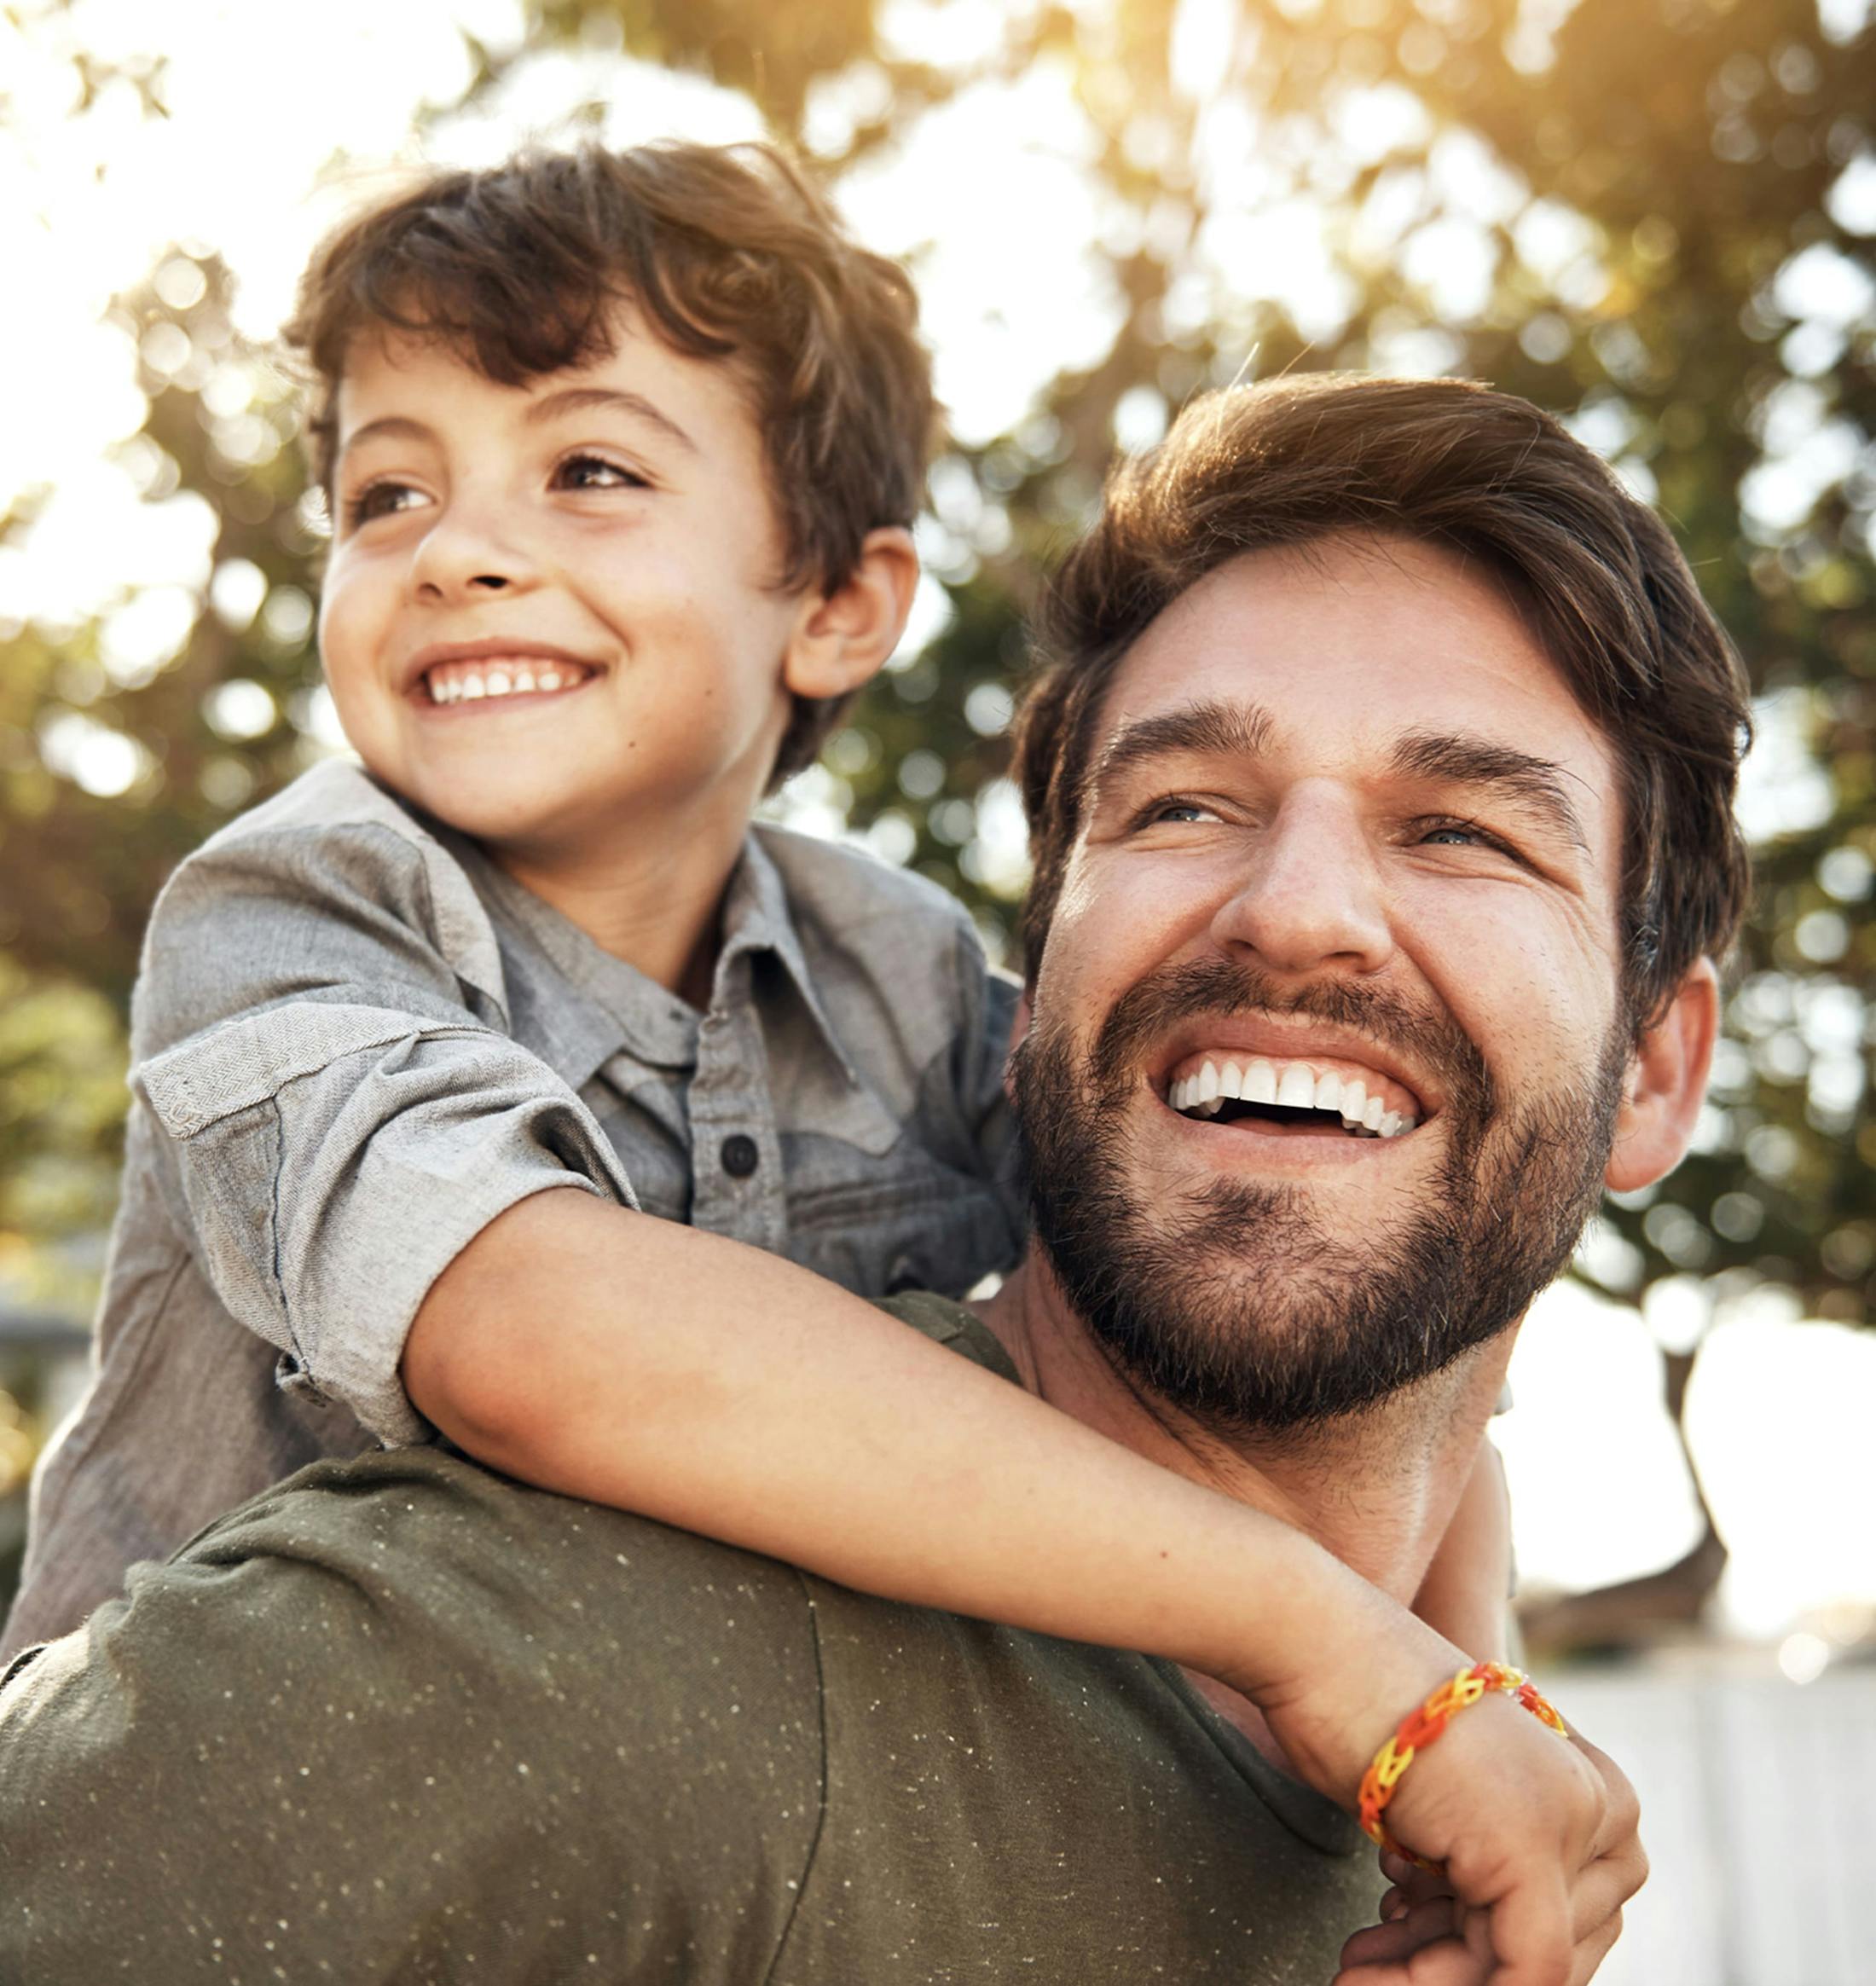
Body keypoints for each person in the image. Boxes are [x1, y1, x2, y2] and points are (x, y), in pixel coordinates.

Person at [0, 371, 1746, 1983]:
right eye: (1182, 808)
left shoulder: (1446, 1804)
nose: (1292, 906)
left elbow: (1455, 1433)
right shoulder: (532, 1659)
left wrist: (1446, 1689)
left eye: (1458, 830)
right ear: (1023, 1005)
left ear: (1652, 1071)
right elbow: (517, 1321)